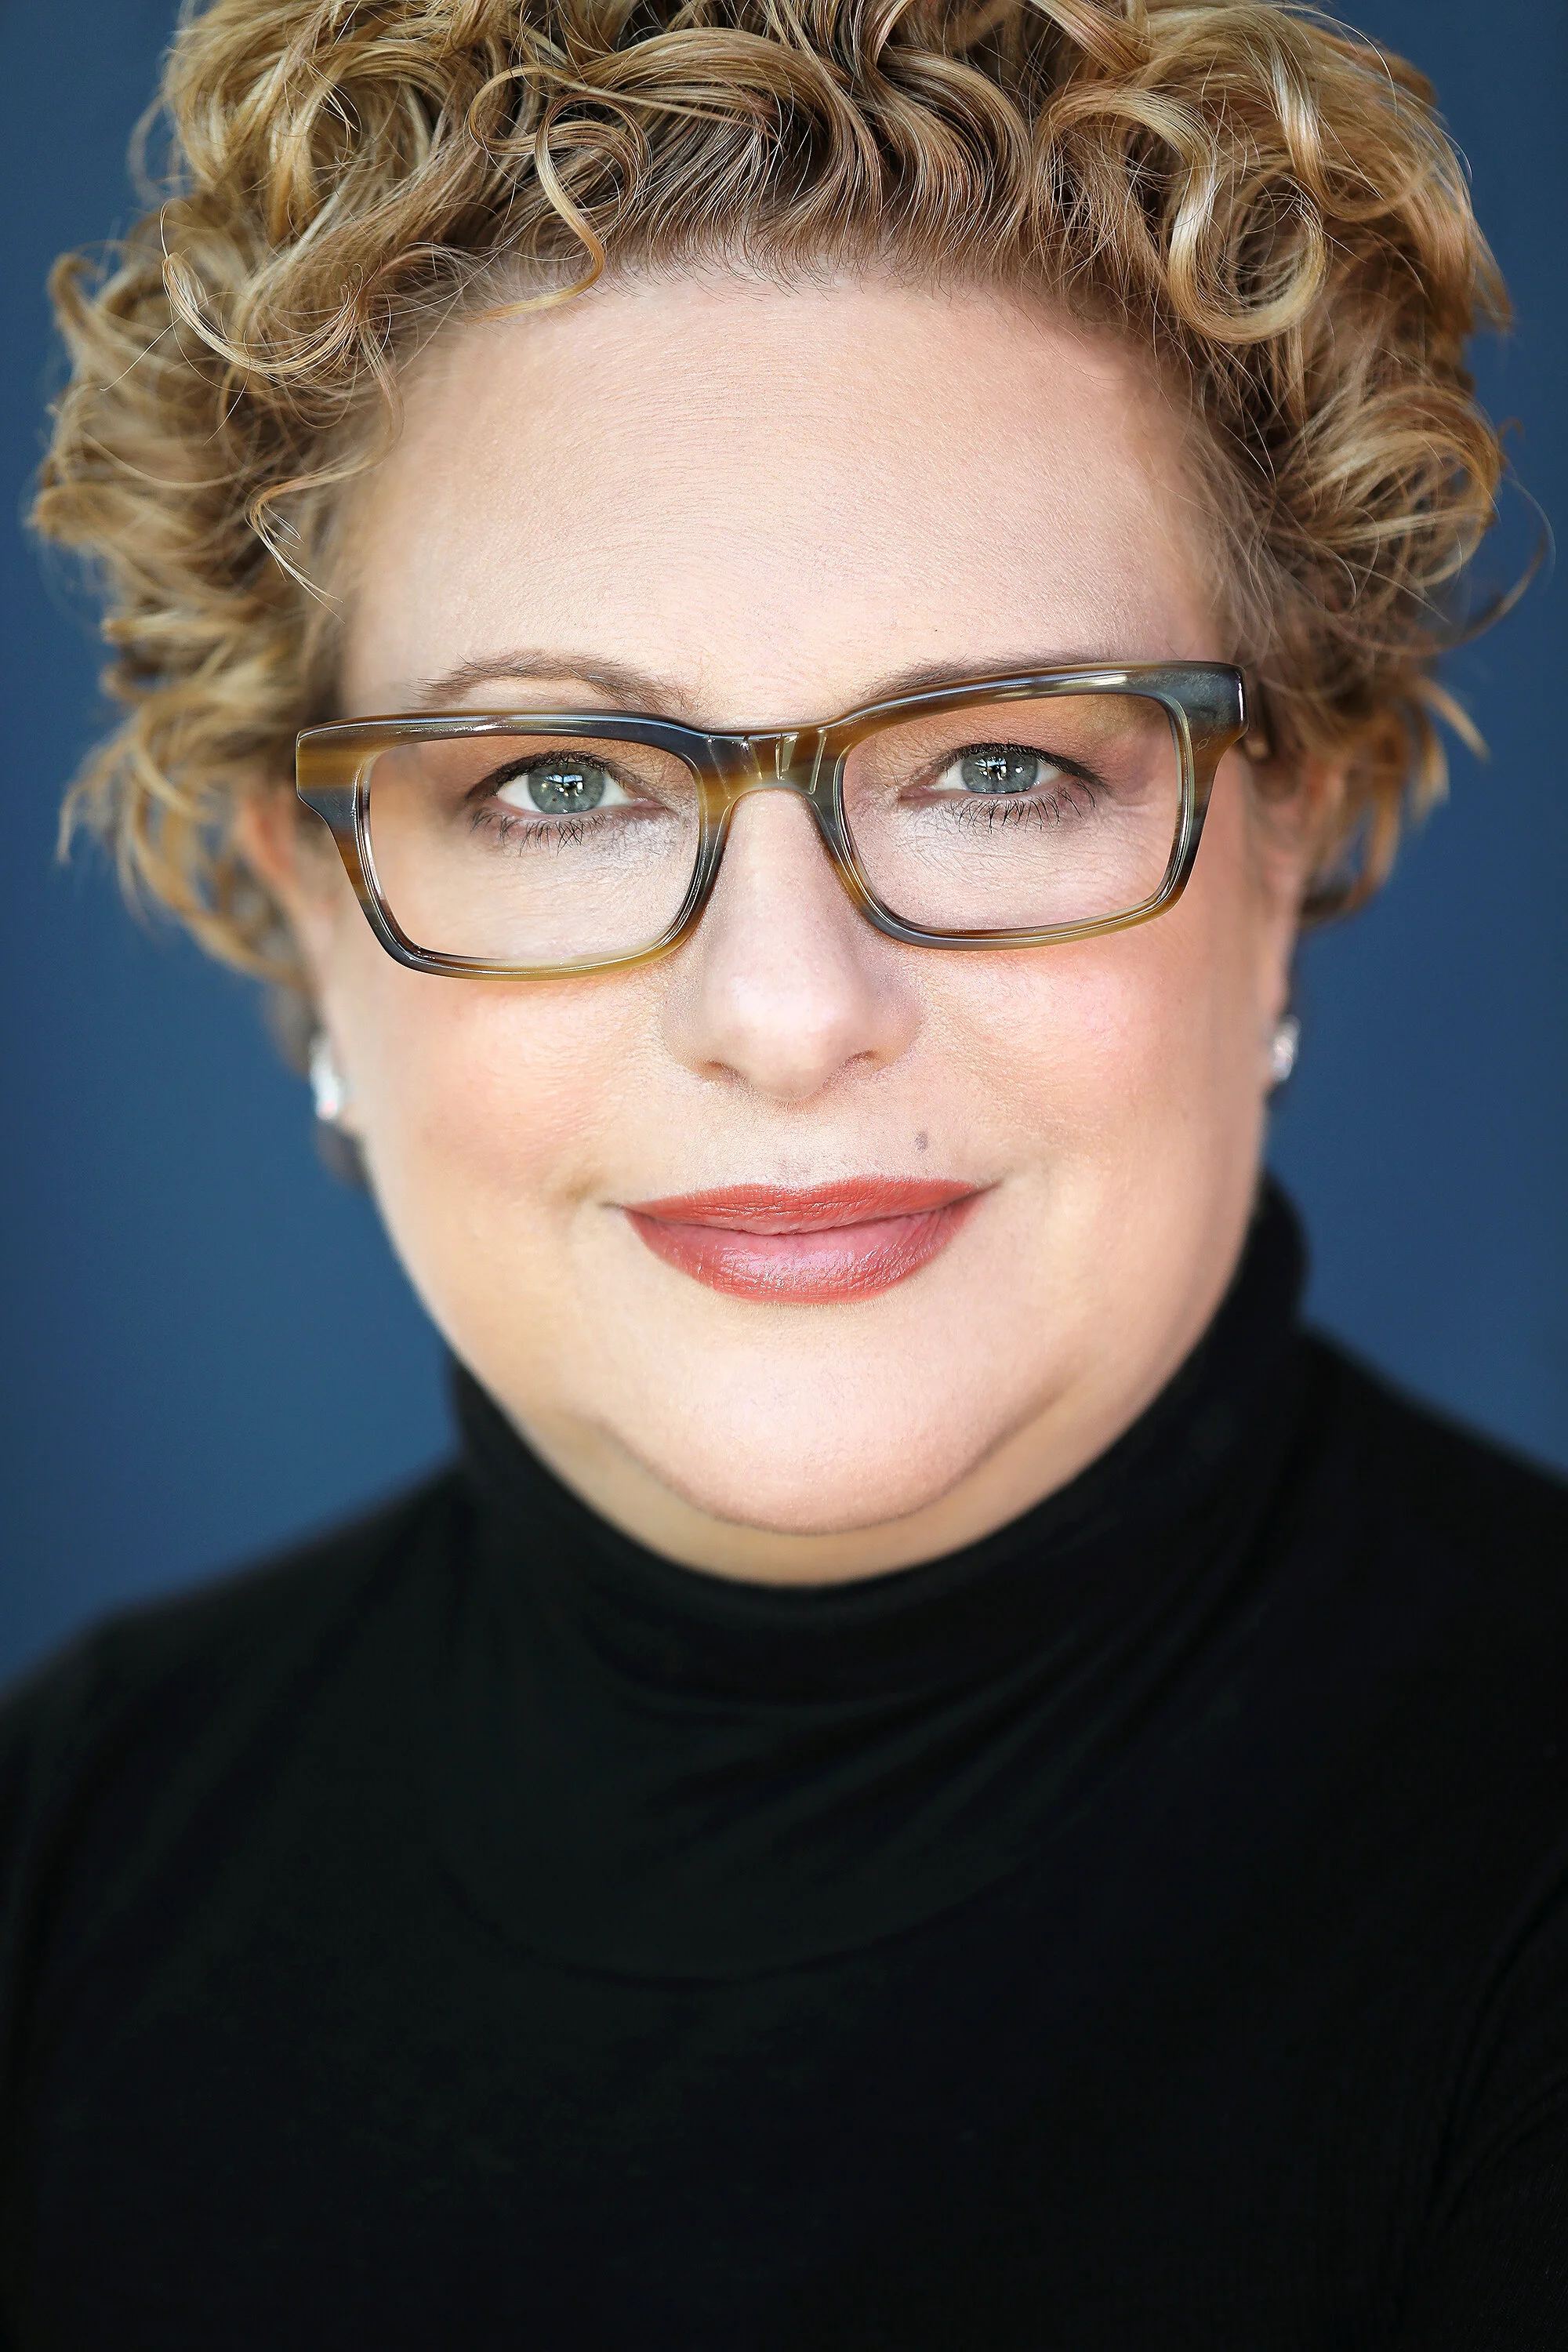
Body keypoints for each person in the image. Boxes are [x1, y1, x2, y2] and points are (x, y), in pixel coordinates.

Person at [4, 0, 1564, 2340]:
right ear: (312, 903)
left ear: (1292, 837)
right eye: (555, 782)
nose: (788, 1011)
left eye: (1006, 766)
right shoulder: (67, 1842)